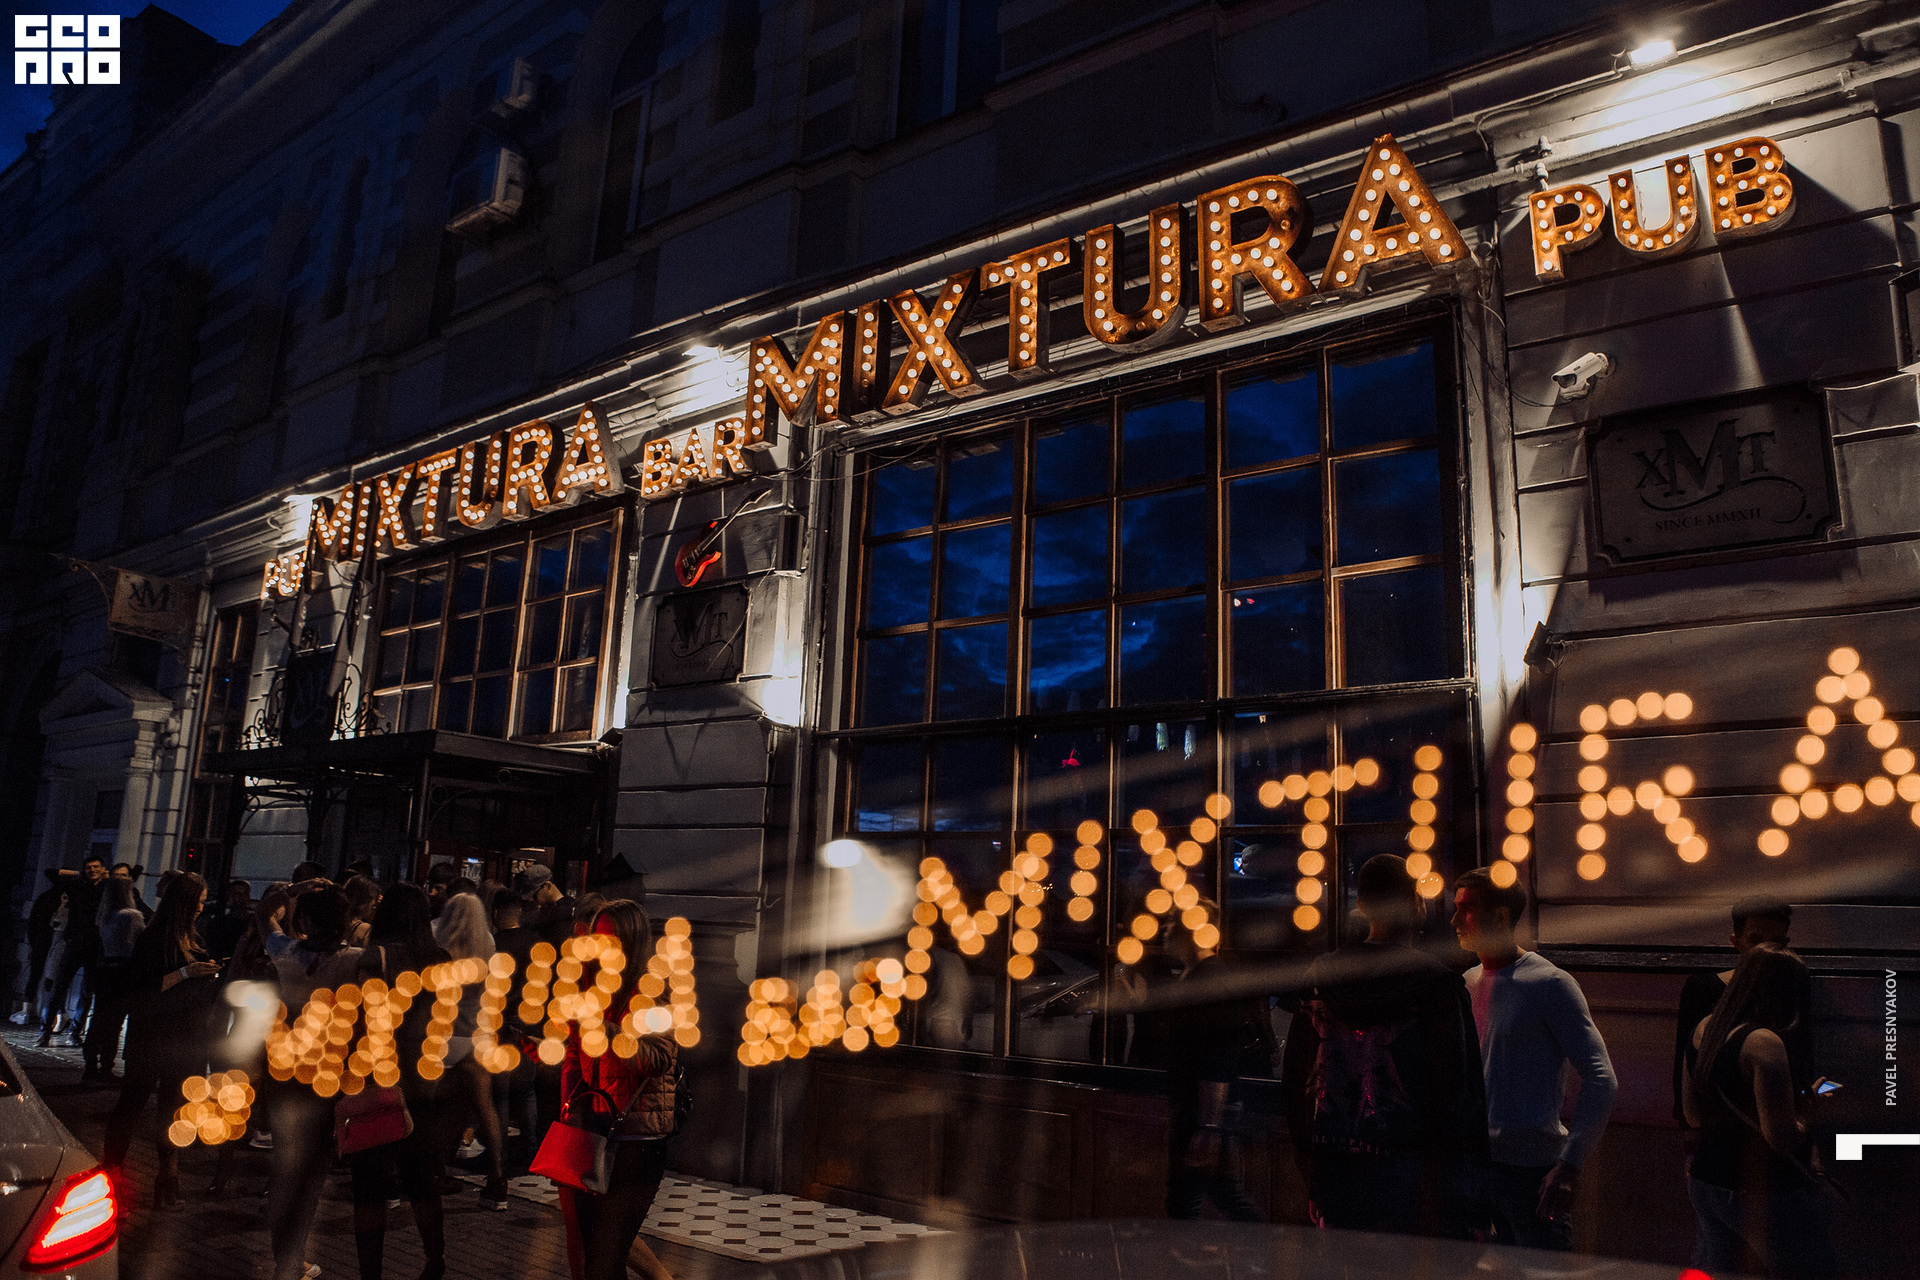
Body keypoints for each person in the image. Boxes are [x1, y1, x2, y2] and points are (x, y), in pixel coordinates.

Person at [1283, 855, 1487, 1238]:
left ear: (1361, 906)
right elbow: (1460, 1096)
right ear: (1416, 904)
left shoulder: (1319, 980)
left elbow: (1295, 1080)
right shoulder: (1439, 989)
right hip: (1412, 1179)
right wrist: (1466, 1196)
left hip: (1334, 1168)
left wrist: (1312, 1170)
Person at [1453, 868, 1617, 1251]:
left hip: (1531, 1174)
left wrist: (1569, 1164)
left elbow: (1601, 1078)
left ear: (1500, 917)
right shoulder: (1467, 983)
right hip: (1476, 1168)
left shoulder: (1549, 983)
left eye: (1467, 909)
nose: (1455, 920)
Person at [1683, 943, 1836, 1279]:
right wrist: (1810, 1108)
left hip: (1706, 1180)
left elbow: (1692, 1114)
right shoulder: (1764, 1043)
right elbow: (1780, 1138)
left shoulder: (1702, 1030)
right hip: (1757, 1188)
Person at [556, 900, 677, 1280]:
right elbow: (573, 1053)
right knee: (595, 1253)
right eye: (598, 937)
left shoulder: (651, 990)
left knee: (606, 1257)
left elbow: (659, 1058)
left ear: (632, 941)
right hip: (595, 1127)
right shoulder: (591, 985)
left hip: (637, 1137)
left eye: (612, 938)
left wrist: (607, 1031)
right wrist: (570, 1110)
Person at [1137, 897, 1271, 1222]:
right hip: (1201, 1106)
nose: (1166, 928)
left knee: (1188, 1201)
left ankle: (1263, 1245)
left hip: (1204, 1108)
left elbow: (1217, 1059)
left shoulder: (1208, 980)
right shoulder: (1198, 976)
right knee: (1217, 1193)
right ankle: (1260, 1245)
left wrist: (1208, 1126)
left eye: (1173, 920)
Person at [352, 884, 451, 1280]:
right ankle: (435, 1259)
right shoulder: (440, 959)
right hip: (424, 1079)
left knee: (370, 1186)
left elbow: (367, 1020)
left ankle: (370, 1272)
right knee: (422, 1178)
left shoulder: (375, 957)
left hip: (380, 1076)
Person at [103, 871, 218, 1208]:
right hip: (151, 1035)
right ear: (182, 904)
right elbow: (143, 988)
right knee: (131, 1105)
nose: (201, 908)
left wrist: (207, 975)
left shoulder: (193, 937)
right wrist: (186, 973)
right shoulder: (153, 939)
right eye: (198, 902)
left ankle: (167, 1182)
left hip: (184, 1037)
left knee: (173, 1111)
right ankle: (111, 1178)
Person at [266, 886, 363, 1280]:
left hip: (285, 1068)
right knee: (311, 1174)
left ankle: (285, 1257)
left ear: (304, 919)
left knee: (284, 1165)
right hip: (327, 1074)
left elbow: (262, 915)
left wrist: (295, 890)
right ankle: (291, 1261)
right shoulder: (354, 960)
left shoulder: (286, 952)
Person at [1674, 897, 1810, 1125]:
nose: (1764, 951)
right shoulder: (1703, 988)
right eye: (1755, 940)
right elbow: (1684, 1060)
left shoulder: (1794, 987)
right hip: (1741, 1124)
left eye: (1775, 943)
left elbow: (1802, 1053)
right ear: (1736, 942)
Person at [433, 891, 510, 1209]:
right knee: (484, 1107)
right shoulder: (488, 944)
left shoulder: (439, 943)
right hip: (478, 1036)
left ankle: (435, 1171)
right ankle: (498, 1180)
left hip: (446, 1036)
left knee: (443, 1108)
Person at [40, 854, 109, 1047]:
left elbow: (131, 877)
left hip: (95, 946)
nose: (92, 870)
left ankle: (75, 1034)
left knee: (86, 992)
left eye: (96, 867)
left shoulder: (107, 888)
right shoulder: (75, 886)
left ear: (103, 869)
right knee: (59, 988)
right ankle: (44, 1033)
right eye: (89, 867)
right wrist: (78, 873)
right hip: (75, 942)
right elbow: (51, 873)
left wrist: (108, 875)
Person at [84, 877, 146, 1082]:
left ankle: (90, 1066)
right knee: (115, 1023)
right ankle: (106, 1068)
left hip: (106, 968)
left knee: (99, 1019)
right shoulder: (131, 915)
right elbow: (137, 942)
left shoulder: (104, 915)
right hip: (124, 969)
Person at [23, 876, 64, 1027]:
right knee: (47, 977)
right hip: (47, 941)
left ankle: (31, 1012)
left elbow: (33, 923)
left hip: (49, 941)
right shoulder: (48, 898)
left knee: (45, 977)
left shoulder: (49, 897)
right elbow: (34, 922)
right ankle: (31, 1012)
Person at [515, 865, 576, 947]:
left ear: (547, 886)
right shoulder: (567, 908)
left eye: (535, 894)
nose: (531, 899)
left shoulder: (564, 912)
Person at [204, 879, 255, 962]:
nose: (242, 898)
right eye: (237, 894)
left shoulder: (253, 921)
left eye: (245, 894)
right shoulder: (218, 923)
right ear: (229, 896)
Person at [344, 874, 381, 947]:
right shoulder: (364, 929)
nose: (374, 908)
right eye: (374, 904)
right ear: (365, 901)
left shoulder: (336, 922)